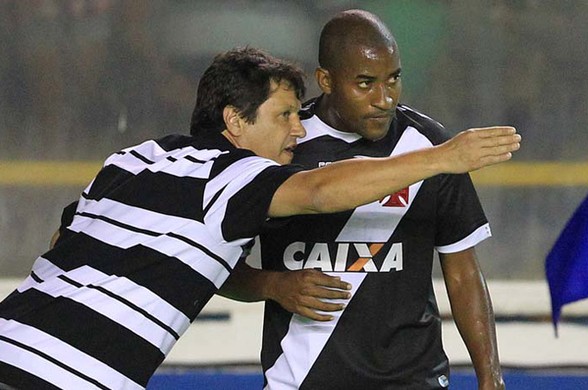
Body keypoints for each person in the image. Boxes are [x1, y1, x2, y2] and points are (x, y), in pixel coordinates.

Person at [0, 46, 519, 389]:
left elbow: (63, 235)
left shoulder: (137, 157)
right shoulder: (232, 177)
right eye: (284, 116)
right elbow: (318, 192)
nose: (298, 130)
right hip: (67, 377)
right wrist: (443, 157)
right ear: (233, 121)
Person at [222, 10, 507, 389]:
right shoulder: (282, 144)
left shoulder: (431, 146)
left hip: (411, 379)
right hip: (302, 379)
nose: (384, 98)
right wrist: (274, 286)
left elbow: (463, 270)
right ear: (326, 80)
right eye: (365, 83)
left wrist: (491, 378)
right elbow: (216, 265)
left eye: (394, 80)